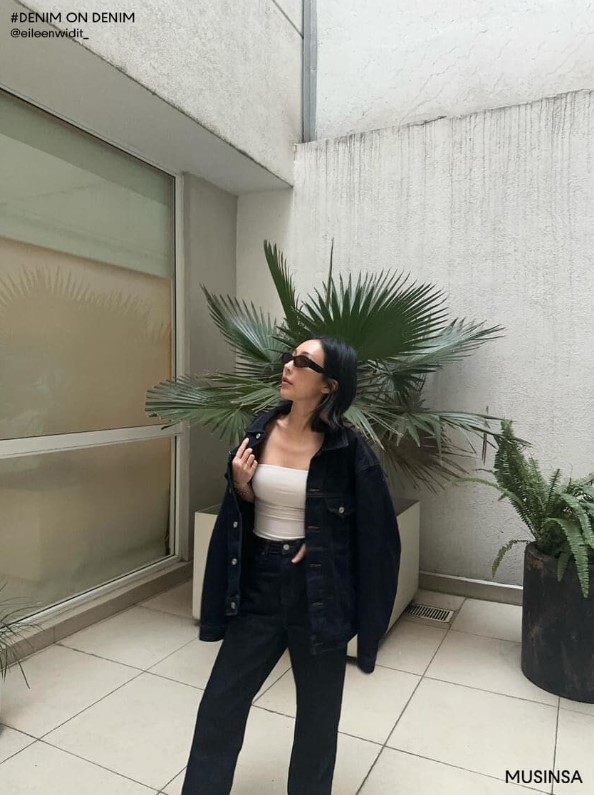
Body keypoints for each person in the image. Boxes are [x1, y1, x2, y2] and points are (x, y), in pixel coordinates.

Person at [181, 335, 401, 795]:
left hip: (316, 593)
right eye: (291, 357)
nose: (288, 366)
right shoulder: (260, 429)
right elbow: (244, 509)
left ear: (328, 385)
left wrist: (320, 546)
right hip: (259, 583)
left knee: (318, 719)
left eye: (303, 362)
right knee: (221, 703)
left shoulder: (349, 451)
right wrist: (242, 485)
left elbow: (377, 535)